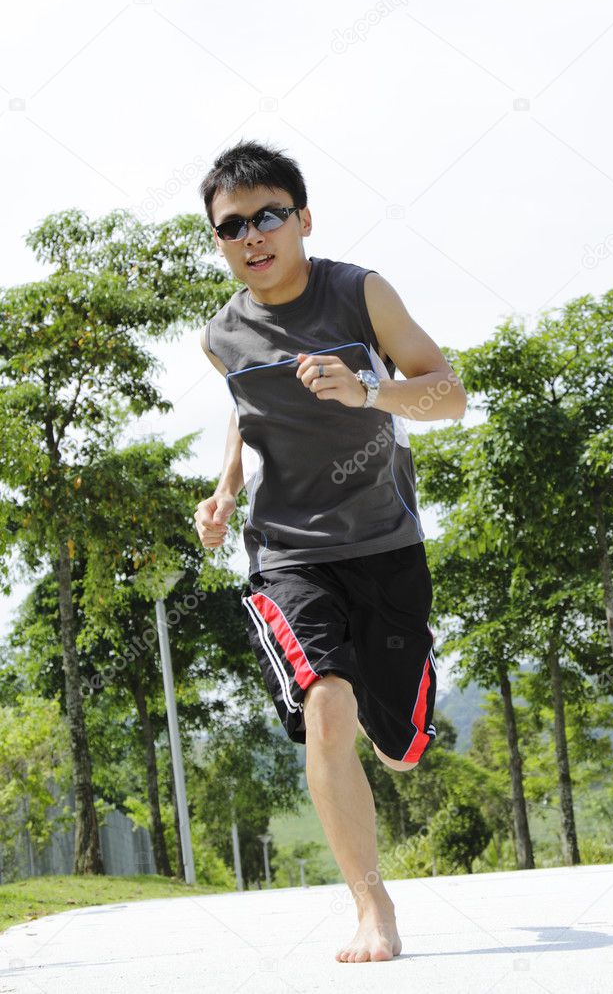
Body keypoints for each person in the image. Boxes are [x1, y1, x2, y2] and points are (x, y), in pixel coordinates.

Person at [193, 140, 466, 963]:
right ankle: (370, 906)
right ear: (219, 241)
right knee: (326, 708)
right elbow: (249, 411)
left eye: (269, 215)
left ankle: (401, 727)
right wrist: (226, 490)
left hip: (385, 542)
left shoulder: (359, 293)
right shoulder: (222, 334)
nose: (253, 235)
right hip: (288, 553)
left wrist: (370, 390)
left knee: (402, 750)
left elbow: (449, 395)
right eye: (231, 226)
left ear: (303, 218)